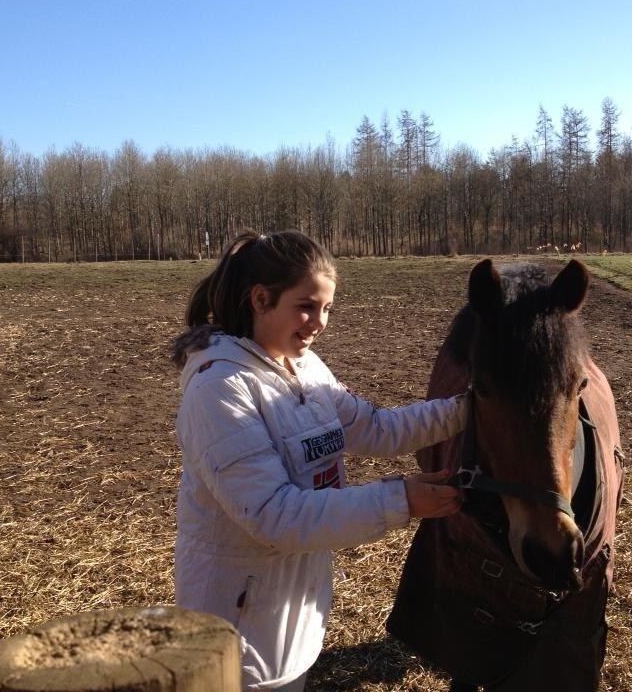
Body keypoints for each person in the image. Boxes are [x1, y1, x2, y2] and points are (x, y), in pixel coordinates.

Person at [172, 230, 466, 691]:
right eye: (307, 306)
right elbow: (276, 515)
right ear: (261, 299)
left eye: (327, 308)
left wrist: (467, 409)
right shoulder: (220, 388)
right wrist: (401, 499)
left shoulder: (304, 368)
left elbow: (378, 428)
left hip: (290, 609)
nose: (320, 322)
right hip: (233, 627)